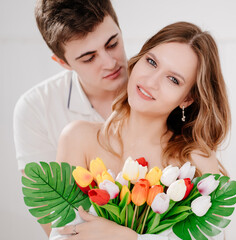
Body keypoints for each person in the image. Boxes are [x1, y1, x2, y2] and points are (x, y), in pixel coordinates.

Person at [52, 21, 231, 240]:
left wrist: (127, 237)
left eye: (173, 79)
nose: (151, 81)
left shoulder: (195, 162)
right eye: (151, 62)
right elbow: (61, 234)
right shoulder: (78, 138)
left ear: (187, 98)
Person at [13, 0, 127, 236]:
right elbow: (52, 216)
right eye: (89, 58)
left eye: (112, 43)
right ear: (63, 63)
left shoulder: (160, 87)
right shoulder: (35, 109)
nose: (110, 62)